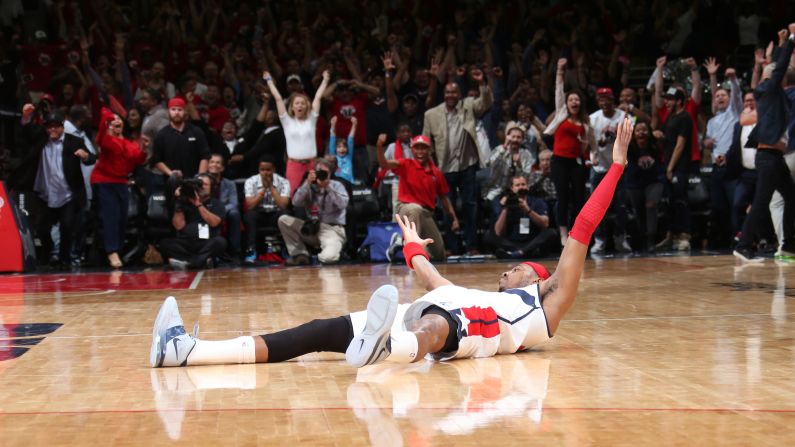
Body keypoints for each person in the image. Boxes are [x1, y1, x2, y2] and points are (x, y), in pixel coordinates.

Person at [148, 117, 635, 369]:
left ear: (537, 277)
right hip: (416, 316)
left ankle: (390, 348)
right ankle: (188, 352)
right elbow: (431, 278)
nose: (508, 271)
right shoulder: (480, 294)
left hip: (452, 330)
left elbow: (581, 231)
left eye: (517, 270)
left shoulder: (543, 307)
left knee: (435, 324)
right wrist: (410, 246)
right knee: (315, 331)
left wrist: (614, 166)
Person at [733, 26, 795, 262]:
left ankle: (789, 244)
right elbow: (779, 69)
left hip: (774, 158)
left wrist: (779, 45)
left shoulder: (772, 95)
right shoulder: (769, 90)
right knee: (761, 201)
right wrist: (790, 39)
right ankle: (744, 245)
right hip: (768, 157)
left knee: (791, 196)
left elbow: (779, 68)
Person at [423, 69, 493, 255]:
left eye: (454, 92)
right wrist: (430, 168)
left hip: (466, 165)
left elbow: (485, 103)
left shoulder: (468, 106)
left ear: (459, 94)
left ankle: (472, 246)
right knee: (447, 208)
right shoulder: (431, 114)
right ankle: (451, 247)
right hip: (444, 169)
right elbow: (425, 143)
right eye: (448, 92)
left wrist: (482, 84)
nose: (451, 95)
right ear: (443, 94)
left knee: (470, 206)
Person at [16, 105, 96, 266]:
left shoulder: (75, 141)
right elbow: (26, 134)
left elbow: (92, 158)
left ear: (62, 127)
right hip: (45, 193)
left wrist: (85, 156)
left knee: (67, 227)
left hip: (67, 194)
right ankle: (47, 252)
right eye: (49, 126)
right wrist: (26, 117)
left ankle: (64, 258)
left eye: (56, 126)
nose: (52, 129)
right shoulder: (41, 139)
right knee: (41, 228)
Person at [376, 134, 459, 261]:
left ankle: (401, 243)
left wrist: (454, 218)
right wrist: (379, 146)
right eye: (417, 148)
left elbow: (444, 198)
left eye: (423, 148)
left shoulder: (436, 172)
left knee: (438, 255)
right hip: (405, 208)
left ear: (429, 150)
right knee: (415, 209)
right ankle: (404, 243)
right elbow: (384, 164)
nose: (420, 152)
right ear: (412, 150)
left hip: (427, 213)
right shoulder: (406, 164)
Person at [543, 58, 592, 248]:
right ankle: (563, 234)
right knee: (563, 197)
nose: (574, 101)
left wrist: (592, 157)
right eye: (571, 99)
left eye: (577, 99)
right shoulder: (562, 113)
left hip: (576, 163)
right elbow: (558, 90)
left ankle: (578, 235)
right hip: (559, 161)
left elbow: (591, 147)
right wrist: (560, 71)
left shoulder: (586, 123)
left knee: (579, 199)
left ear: (581, 103)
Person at [91, 107, 147, 268]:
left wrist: (143, 149)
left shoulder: (129, 143)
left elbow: (138, 159)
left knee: (123, 218)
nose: (116, 122)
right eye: (112, 122)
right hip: (104, 181)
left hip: (121, 182)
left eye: (119, 120)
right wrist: (107, 118)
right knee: (111, 216)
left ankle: (117, 249)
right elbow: (100, 136)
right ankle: (112, 251)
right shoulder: (107, 140)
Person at [264, 69, 330, 195]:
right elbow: (278, 99)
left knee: (314, 195)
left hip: (311, 164)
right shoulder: (286, 121)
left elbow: (317, 97)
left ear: (307, 106)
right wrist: (269, 82)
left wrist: (325, 81)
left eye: (302, 103)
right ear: (292, 107)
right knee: (294, 196)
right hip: (294, 166)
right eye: (297, 103)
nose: (300, 105)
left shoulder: (312, 120)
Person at [277, 158, 349, 265]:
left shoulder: (337, 186)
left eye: (324, 173)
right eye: (318, 172)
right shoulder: (309, 186)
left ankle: (324, 254)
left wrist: (327, 187)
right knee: (283, 220)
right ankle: (300, 254)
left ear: (330, 173)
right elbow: (295, 202)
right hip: (312, 229)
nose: (321, 175)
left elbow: (343, 204)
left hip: (332, 230)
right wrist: (307, 183)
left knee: (328, 258)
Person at [703, 65, 742, 249]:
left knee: (735, 204)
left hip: (731, 166)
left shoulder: (734, 114)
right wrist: (707, 143)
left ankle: (738, 239)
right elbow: (707, 142)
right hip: (715, 168)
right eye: (717, 96)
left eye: (723, 95)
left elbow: (737, 96)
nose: (719, 98)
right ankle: (724, 241)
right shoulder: (711, 121)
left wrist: (733, 80)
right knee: (718, 207)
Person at [588, 87, 629, 254]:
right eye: (601, 99)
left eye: (607, 99)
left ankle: (621, 238)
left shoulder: (623, 116)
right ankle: (599, 240)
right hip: (599, 168)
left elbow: (628, 139)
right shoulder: (593, 118)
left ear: (613, 100)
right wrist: (598, 148)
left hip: (618, 167)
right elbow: (591, 143)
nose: (604, 102)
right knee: (596, 206)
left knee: (621, 206)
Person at [158, 173, 227, 270]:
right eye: (199, 184)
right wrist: (178, 200)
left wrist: (198, 204)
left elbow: (214, 222)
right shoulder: (184, 202)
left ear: (211, 188)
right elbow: (179, 226)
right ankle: (201, 262)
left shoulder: (216, 204)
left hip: (206, 243)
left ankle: (188, 263)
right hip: (186, 243)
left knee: (220, 242)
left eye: (205, 184)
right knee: (165, 243)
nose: (202, 186)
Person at [485, 175, 557, 259]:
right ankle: (525, 252)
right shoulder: (507, 202)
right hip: (512, 243)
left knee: (551, 232)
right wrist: (505, 208)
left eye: (523, 184)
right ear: (512, 188)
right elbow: (498, 232)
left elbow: (545, 223)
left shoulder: (537, 201)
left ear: (527, 187)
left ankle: (516, 254)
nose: (521, 187)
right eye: (517, 185)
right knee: (488, 236)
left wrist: (528, 210)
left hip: (532, 241)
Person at [657, 87, 693, 251]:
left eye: (670, 99)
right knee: (669, 202)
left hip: (679, 167)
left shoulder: (685, 117)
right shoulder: (670, 117)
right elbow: (667, 137)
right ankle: (671, 235)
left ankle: (684, 236)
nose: (666, 102)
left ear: (679, 101)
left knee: (680, 201)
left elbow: (680, 144)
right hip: (668, 166)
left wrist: (671, 167)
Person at [243, 155, 291, 264]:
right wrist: (264, 189)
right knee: (249, 215)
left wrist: (271, 188)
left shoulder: (283, 182)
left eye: (268, 170)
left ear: (274, 169)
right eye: (262, 170)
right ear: (259, 170)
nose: (265, 173)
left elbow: (283, 205)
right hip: (259, 214)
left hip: (276, 213)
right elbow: (250, 205)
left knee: (285, 214)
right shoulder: (251, 181)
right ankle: (251, 250)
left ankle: (286, 249)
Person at [207, 154, 242, 258]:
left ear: (222, 167)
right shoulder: (201, 181)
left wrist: (220, 211)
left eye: (218, 162)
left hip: (223, 211)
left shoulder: (229, 184)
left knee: (234, 213)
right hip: (205, 211)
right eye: (212, 162)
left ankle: (236, 251)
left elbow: (234, 203)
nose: (214, 164)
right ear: (208, 165)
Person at [328, 116, 356, 184]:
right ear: (335, 148)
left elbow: (350, 139)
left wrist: (354, 124)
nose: (342, 149)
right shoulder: (333, 156)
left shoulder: (349, 156)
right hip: (337, 184)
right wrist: (333, 125)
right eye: (339, 147)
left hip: (349, 184)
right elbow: (332, 138)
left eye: (344, 147)